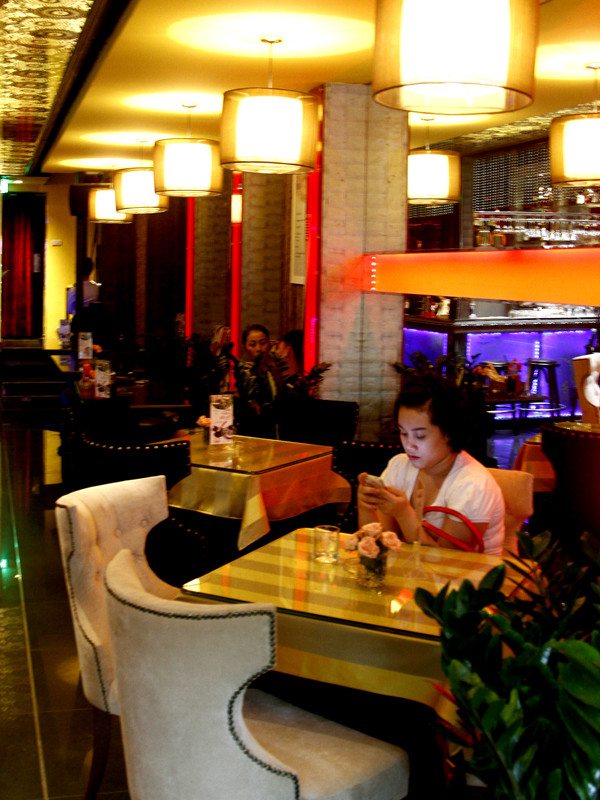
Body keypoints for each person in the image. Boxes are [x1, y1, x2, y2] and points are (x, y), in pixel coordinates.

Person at [358, 375, 505, 555]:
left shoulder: (473, 485)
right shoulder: (400, 466)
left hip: (469, 572)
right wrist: (366, 504)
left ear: (449, 432)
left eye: (420, 436)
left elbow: (446, 562)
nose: (409, 445)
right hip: (409, 571)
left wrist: (404, 514)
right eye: (403, 433)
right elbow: (379, 547)